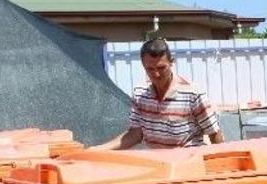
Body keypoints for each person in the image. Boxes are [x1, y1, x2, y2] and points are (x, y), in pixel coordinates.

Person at [93, 38, 223, 150]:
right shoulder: (140, 94)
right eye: (150, 69)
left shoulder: (193, 94)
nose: (156, 74)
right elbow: (135, 134)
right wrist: (96, 150)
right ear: (143, 66)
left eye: (161, 68)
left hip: (189, 168)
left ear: (171, 62)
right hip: (159, 168)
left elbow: (214, 134)